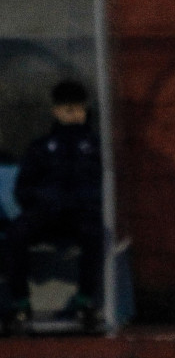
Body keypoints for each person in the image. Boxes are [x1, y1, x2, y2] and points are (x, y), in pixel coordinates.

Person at [3, 80, 104, 335]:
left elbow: (103, 183)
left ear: (85, 109)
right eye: (66, 108)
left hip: (80, 214)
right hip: (46, 214)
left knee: (94, 234)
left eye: (77, 108)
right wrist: (43, 201)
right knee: (16, 233)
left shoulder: (95, 146)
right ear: (56, 111)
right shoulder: (41, 147)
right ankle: (20, 303)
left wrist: (85, 202)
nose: (72, 114)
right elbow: (23, 189)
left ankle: (84, 302)